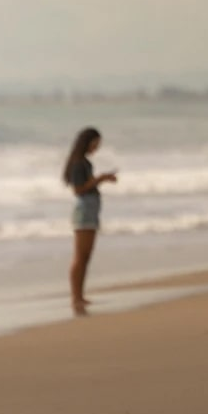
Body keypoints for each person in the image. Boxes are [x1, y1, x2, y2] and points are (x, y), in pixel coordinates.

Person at [63, 126, 116, 317]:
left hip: (90, 209)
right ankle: (75, 296)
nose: (96, 148)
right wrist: (99, 179)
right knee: (80, 255)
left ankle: (80, 295)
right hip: (84, 210)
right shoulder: (79, 163)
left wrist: (102, 179)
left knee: (86, 256)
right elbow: (79, 189)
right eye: (95, 144)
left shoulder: (84, 163)